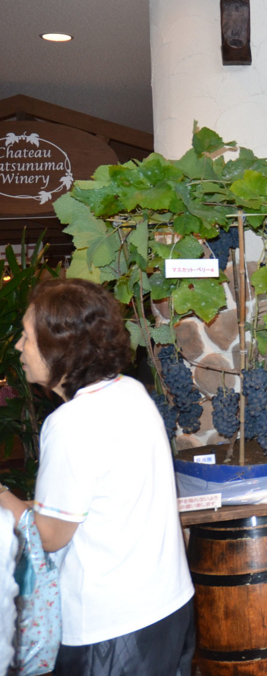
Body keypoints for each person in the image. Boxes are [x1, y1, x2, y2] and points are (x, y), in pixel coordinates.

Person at [0, 279, 194, 675]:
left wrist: (4, 496)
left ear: (61, 347)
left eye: (27, 337)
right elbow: (102, 501)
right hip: (169, 604)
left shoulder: (71, 423)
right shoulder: (131, 392)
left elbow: (51, 535)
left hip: (111, 627)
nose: (19, 347)